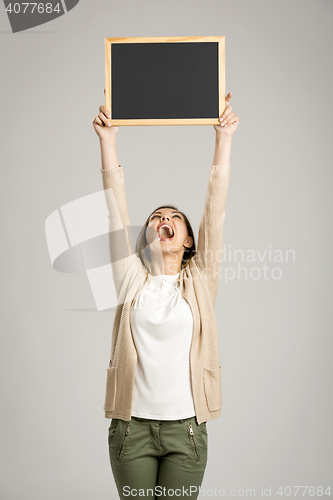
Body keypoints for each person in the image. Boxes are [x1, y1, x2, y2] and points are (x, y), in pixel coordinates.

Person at [92, 91, 239, 500]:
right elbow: (114, 212)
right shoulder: (130, 280)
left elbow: (215, 211)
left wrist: (223, 138)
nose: (164, 220)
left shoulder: (200, 282)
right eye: (157, 217)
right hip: (131, 430)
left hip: (186, 431)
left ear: (188, 240)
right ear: (146, 238)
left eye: (174, 217)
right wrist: (108, 141)